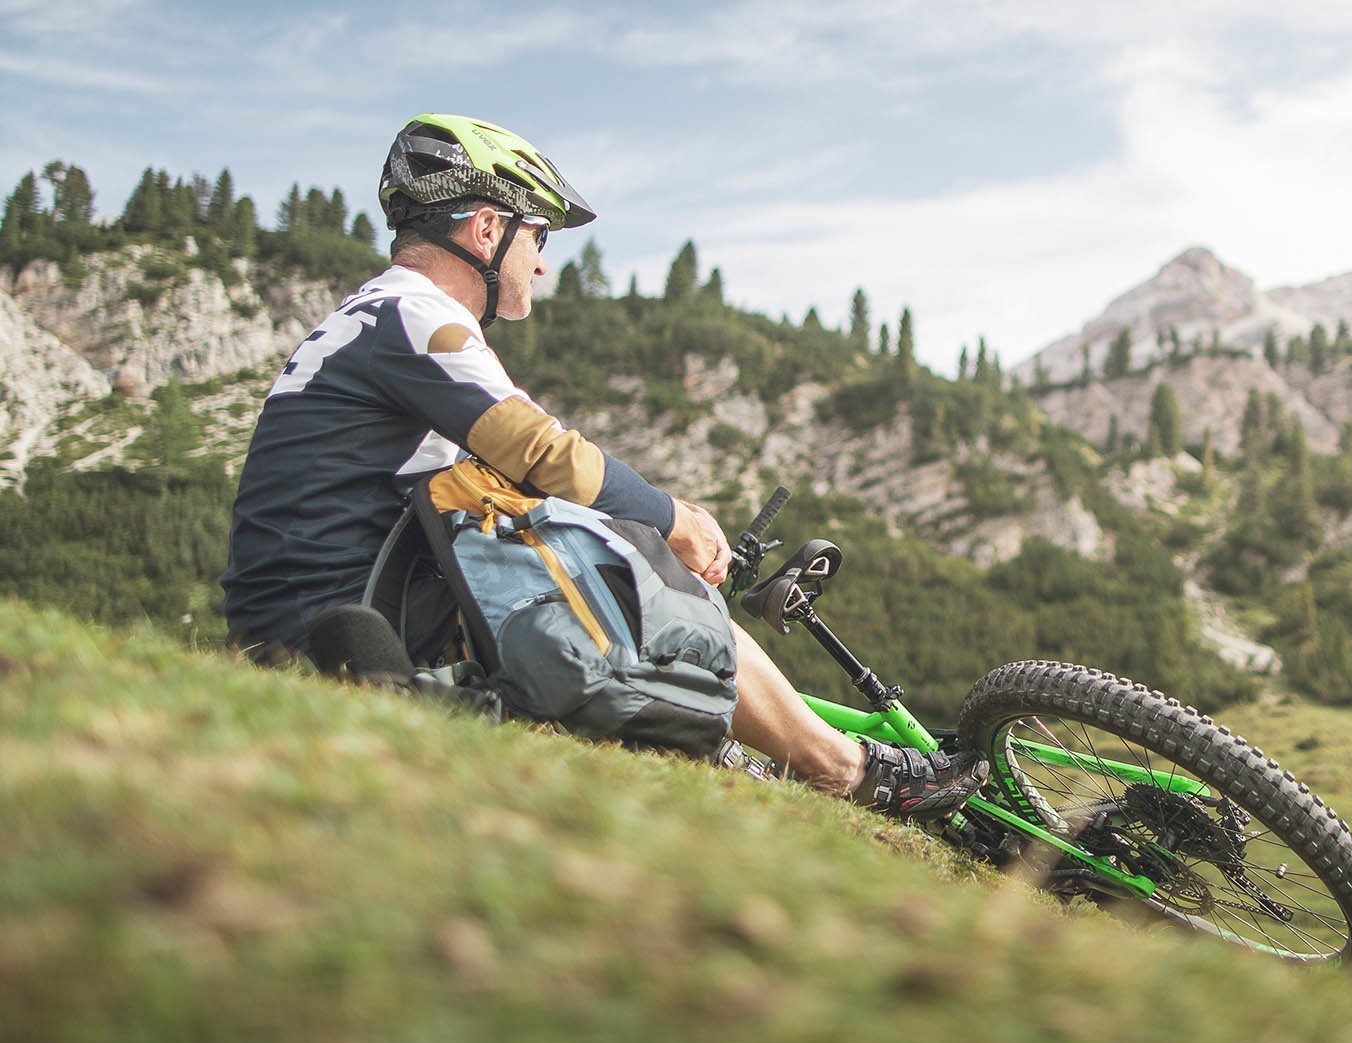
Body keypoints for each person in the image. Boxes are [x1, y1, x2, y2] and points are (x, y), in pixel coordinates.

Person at [219, 113, 984, 818]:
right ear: (487, 230)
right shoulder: (417, 315)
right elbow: (545, 454)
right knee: (649, 577)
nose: (542, 267)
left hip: (313, 617)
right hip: (347, 621)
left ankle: (733, 743)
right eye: (538, 239)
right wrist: (673, 520)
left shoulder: (367, 317)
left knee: (591, 555)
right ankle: (847, 771)